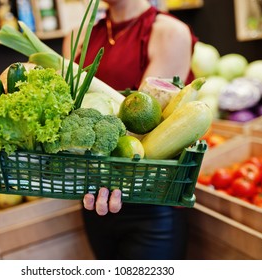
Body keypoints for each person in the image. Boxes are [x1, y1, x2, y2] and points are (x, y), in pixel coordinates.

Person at [62, 0, 197, 260]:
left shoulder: (170, 32)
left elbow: (145, 131)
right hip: (94, 199)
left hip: (151, 205)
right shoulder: (77, 37)